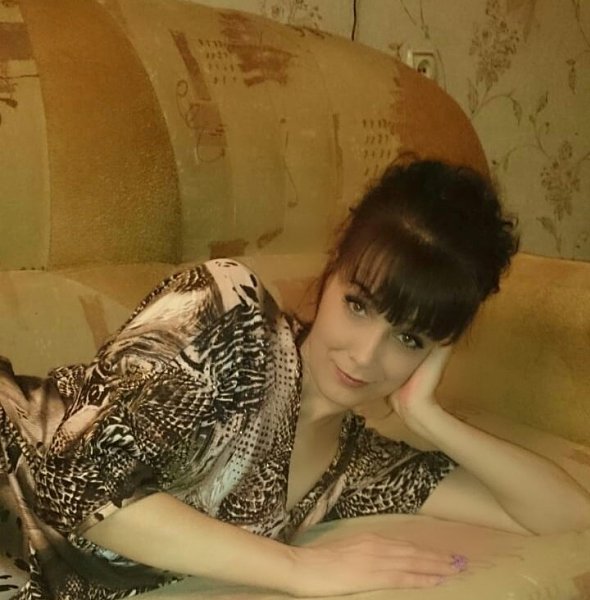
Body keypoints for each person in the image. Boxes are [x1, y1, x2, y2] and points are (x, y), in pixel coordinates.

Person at [1, 158, 589, 600]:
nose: (365, 356)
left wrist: (428, 415)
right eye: (359, 305)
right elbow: (73, 481)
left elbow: (570, 516)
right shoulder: (230, 314)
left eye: (409, 339)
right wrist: (298, 568)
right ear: (330, 275)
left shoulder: (354, 468)